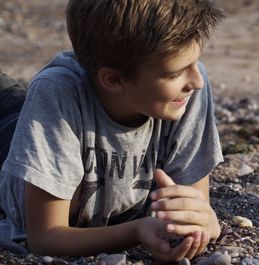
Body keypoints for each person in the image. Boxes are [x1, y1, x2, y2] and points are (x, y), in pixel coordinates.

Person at [0, 0, 225, 262]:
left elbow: (195, 210)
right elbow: (45, 238)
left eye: (196, 62)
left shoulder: (186, 90)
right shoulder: (56, 93)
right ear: (114, 79)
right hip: (16, 139)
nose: (196, 81)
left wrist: (205, 223)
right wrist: (138, 231)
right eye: (175, 74)